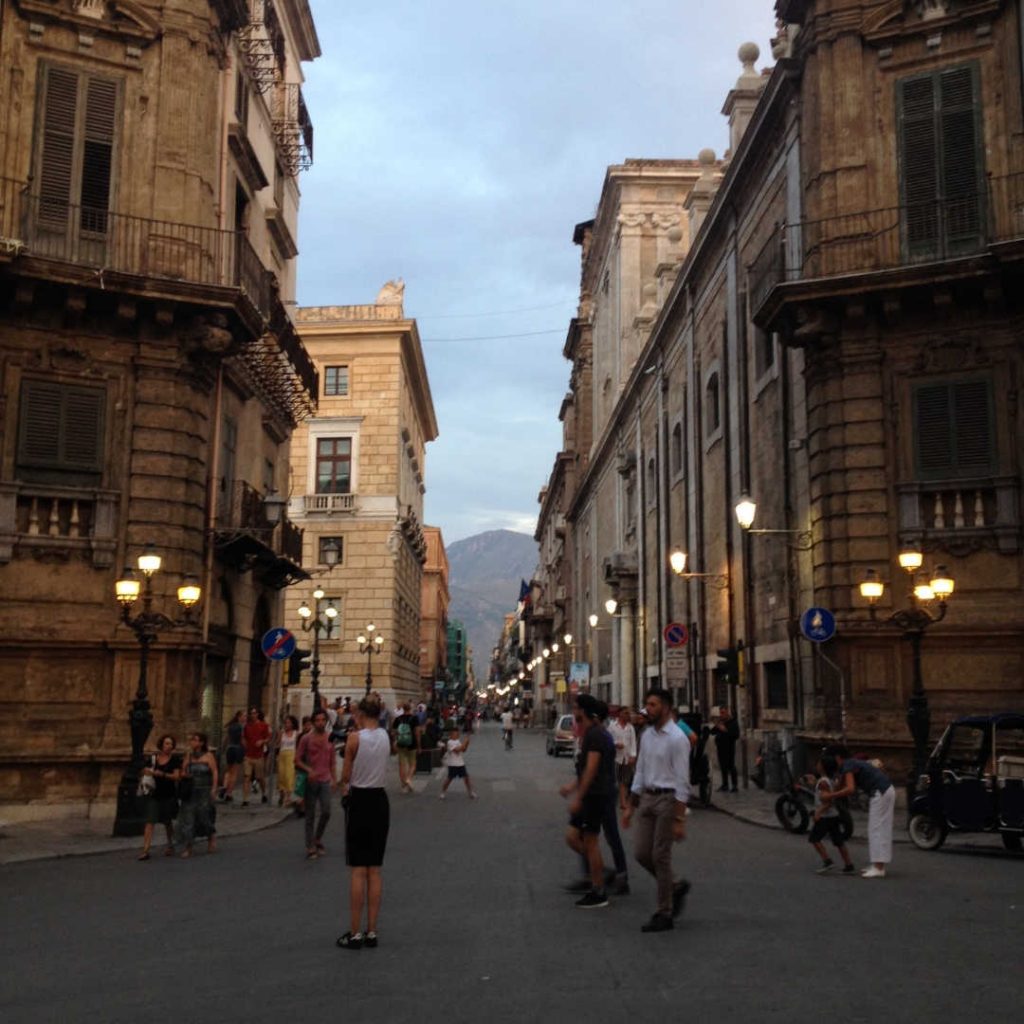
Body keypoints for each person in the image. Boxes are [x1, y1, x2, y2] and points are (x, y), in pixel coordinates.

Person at [623, 688, 691, 933]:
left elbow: (683, 781)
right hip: (648, 799)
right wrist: (631, 805)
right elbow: (640, 770)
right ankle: (674, 884)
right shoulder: (647, 735)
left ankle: (665, 912)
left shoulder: (677, 738)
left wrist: (679, 818)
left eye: (652, 705)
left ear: (666, 707)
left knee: (661, 856)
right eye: (647, 704)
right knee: (642, 853)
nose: (647, 709)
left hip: (667, 800)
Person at [338, 695, 392, 950]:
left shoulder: (353, 739)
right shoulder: (385, 737)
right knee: (375, 869)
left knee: (358, 869)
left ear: (359, 715)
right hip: (380, 801)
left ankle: (355, 932)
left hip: (360, 799)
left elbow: (346, 776)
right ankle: (373, 931)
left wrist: (343, 789)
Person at [559, 694, 615, 908]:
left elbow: (592, 769)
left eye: (576, 708)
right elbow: (586, 770)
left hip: (594, 795)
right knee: (573, 837)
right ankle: (599, 871)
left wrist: (579, 797)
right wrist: (572, 787)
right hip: (591, 793)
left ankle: (598, 890)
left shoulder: (595, 735)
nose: (574, 712)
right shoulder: (593, 734)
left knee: (590, 841)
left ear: (584, 711)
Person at [822, 744, 895, 878]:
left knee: (876, 829)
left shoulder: (847, 765)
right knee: (881, 828)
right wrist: (833, 792)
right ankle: (879, 865)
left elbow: (850, 788)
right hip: (885, 790)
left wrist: (830, 796)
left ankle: (878, 868)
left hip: (880, 792)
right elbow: (841, 785)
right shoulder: (850, 763)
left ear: (837, 757)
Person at [295, 708, 337, 860]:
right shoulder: (306, 738)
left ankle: (317, 838)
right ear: (313, 722)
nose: (320, 723)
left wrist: (334, 779)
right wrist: (308, 770)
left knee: (326, 811)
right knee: (310, 814)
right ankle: (310, 846)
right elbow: (297, 759)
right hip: (311, 780)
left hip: (325, 779)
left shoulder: (330, 738)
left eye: (322, 720)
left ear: (326, 721)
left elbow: (332, 761)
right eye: (317, 720)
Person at [809, 754, 855, 875]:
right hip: (834, 816)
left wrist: (818, 812)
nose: (817, 765)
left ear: (823, 767)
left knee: (814, 839)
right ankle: (849, 864)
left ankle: (827, 861)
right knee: (839, 841)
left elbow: (827, 801)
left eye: (819, 763)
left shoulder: (823, 782)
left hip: (825, 817)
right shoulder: (830, 780)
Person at [138, 734, 181, 860]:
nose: (169, 746)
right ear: (161, 744)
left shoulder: (175, 760)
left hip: (168, 794)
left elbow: (177, 776)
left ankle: (170, 844)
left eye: (171, 744)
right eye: (167, 743)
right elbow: (144, 770)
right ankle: (145, 850)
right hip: (154, 794)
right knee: (150, 821)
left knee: (167, 822)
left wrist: (161, 774)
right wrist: (147, 772)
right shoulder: (153, 758)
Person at [175, 732, 218, 858]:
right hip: (191, 790)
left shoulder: (209, 756)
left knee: (204, 815)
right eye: (192, 740)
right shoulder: (188, 755)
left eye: (195, 740)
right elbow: (182, 771)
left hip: (204, 789)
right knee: (188, 818)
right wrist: (184, 774)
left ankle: (211, 836)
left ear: (201, 743)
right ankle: (188, 846)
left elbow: (214, 772)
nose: (192, 742)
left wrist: (214, 788)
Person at [609, 705, 637, 812]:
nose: (627, 715)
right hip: (616, 757)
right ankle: (617, 800)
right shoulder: (612, 726)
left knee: (624, 781)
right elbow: (608, 740)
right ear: (619, 714)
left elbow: (633, 742)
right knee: (616, 780)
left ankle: (623, 801)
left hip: (626, 757)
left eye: (628, 713)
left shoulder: (630, 728)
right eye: (625, 713)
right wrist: (616, 744)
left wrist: (633, 755)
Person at [439, 722, 478, 800]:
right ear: (451, 734)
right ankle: (443, 792)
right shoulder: (450, 742)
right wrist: (465, 742)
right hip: (453, 764)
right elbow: (457, 750)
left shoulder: (457, 741)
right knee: (449, 779)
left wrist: (467, 743)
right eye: (455, 733)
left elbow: (463, 750)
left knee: (466, 778)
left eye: (457, 733)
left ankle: (470, 792)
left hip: (460, 763)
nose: (457, 734)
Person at [242, 707, 271, 806]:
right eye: (251, 713)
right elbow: (244, 737)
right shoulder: (247, 726)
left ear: (258, 714)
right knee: (247, 777)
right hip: (248, 755)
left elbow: (268, 738)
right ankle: (245, 799)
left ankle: (264, 794)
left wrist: (262, 741)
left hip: (259, 756)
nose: (252, 715)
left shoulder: (264, 725)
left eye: (254, 713)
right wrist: (244, 744)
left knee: (260, 777)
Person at [392, 702, 420, 794]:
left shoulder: (398, 719)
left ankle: (403, 785)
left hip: (401, 743)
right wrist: (419, 746)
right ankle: (408, 778)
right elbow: (417, 733)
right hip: (412, 744)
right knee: (413, 764)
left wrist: (395, 741)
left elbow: (394, 732)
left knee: (402, 765)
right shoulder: (415, 718)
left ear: (403, 709)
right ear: (410, 708)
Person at [712, 706, 740, 792]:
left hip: (729, 747)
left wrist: (725, 730)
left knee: (731, 766)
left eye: (723, 713)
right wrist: (716, 725)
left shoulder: (733, 722)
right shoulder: (721, 722)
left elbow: (736, 735)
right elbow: (713, 732)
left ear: (727, 713)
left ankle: (734, 785)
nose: (721, 715)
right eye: (720, 713)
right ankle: (725, 785)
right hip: (721, 747)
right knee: (723, 766)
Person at [220, 710, 244, 801]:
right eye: (243, 716)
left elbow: (226, 739)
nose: (245, 718)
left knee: (228, 771)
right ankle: (229, 793)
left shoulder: (230, 726)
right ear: (239, 717)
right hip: (237, 749)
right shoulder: (241, 727)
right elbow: (242, 739)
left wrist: (223, 748)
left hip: (229, 749)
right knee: (234, 773)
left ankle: (224, 786)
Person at [275, 715, 299, 807]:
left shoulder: (296, 734)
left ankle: (288, 797)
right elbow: (277, 744)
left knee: (289, 776)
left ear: (293, 724)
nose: (287, 725)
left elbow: (297, 746)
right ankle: (282, 794)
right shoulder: (282, 733)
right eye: (285, 723)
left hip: (291, 755)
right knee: (281, 776)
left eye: (288, 723)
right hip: (282, 755)